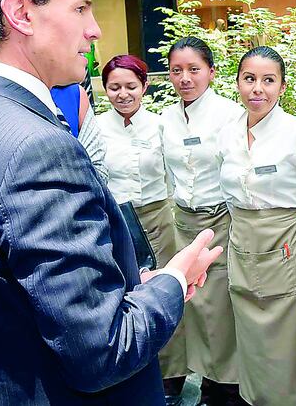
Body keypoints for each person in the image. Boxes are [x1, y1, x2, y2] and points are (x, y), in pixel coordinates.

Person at [0, 0, 221, 404]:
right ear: (21, 13)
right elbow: (101, 351)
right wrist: (172, 281)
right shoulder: (36, 147)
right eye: (80, 8)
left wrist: (124, 290)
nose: (94, 29)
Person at [217, 46, 296, 406]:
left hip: (288, 243)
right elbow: (227, 192)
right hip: (242, 240)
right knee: (253, 336)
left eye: (268, 80)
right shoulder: (227, 134)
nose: (258, 89)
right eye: (249, 79)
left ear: (282, 87)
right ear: (237, 82)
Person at [96, 54, 189, 405]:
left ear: (145, 86)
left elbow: (176, 172)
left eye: (131, 86)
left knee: (167, 290)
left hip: (159, 218)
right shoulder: (95, 128)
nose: (123, 94)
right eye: (114, 87)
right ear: (105, 89)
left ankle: (173, 373)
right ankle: (132, 371)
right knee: (126, 295)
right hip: (117, 222)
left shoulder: (160, 125)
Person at [161, 37, 245, 406]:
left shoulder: (230, 114)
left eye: (194, 69)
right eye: (176, 70)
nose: (185, 78)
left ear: (211, 71)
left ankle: (229, 387)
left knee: (222, 307)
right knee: (194, 306)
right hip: (184, 221)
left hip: (220, 220)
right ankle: (209, 381)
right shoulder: (166, 119)